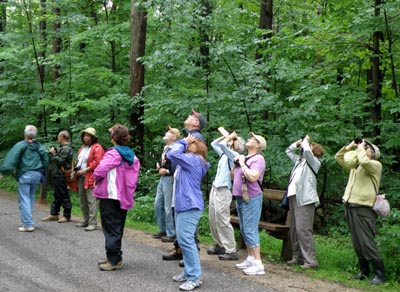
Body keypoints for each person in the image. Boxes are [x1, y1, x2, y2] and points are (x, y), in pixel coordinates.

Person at [335, 138, 385, 285]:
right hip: (351, 205)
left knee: (367, 242)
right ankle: (364, 272)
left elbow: (364, 162)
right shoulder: (356, 166)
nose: (364, 149)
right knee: (357, 242)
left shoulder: (375, 165)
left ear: (374, 153)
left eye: (368, 148)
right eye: (365, 147)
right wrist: (350, 146)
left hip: (364, 208)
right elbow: (338, 158)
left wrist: (360, 149)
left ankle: (380, 275)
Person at [93, 124, 140, 271]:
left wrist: (95, 177)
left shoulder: (114, 153)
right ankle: (114, 256)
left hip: (110, 195)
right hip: (123, 195)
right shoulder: (131, 154)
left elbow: (100, 170)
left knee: (110, 227)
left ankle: (113, 260)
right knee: (117, 226)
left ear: (114, 137)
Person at [167, 134, 210, 291]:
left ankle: (194, 277)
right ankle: (188, 272)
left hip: (190, 205)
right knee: (184, 239)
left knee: (186, 240)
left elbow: (172, 153)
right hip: (183, 204)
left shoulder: (194, 159)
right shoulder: (189, 159)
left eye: (192, 143)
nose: (188, 144)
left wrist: (183, 141)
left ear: (197, 147)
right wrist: (183, 143)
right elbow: (170, 153)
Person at [285, 135, 324, 270]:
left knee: (303, 229)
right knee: (295, 229)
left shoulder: (315, 162)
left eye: (308, 146)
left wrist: (306, 141)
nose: (304, 148)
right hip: (294, 196)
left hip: (306, 199)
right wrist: (297, 143)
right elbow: (288, 151)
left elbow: (307, 151)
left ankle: (311, 261)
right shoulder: (299, 162)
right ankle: (298, 257)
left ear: (314, 151)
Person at [0, 125, 49, 232]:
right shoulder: (38, 146)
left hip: (25, 174)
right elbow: (45, 157)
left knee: (24, 199)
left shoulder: (21, 145)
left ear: (25, 134)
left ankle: (27, 224)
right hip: (37, 174)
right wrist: (43, 169)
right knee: (30, 198)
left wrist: (3, 171)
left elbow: (11, 159)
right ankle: (27, 220)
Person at [207, 128, 245, 260]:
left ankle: (231, 249)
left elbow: (223, 145)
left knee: (222, 219)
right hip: (215, 187)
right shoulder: (224, 154)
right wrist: (227, 137)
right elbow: (214, 144)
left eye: (235, 141)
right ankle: (219, 244)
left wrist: (230, 137)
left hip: (224, 189)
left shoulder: (234, 156)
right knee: (213, 218)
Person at [232, 132, 266, 276]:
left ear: (258, 145)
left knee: (250, 229)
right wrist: (235, 165)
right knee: (245, 229)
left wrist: (242, 164)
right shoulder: (245, 158)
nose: (249, 139)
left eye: (253, 139)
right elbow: (232, 176)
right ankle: (251, 258)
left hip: (251, 197)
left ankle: (258, 264)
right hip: (240, 197)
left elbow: (253, 176)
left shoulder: (258, 158)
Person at [74, 127, 104, 231]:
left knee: (92, 200)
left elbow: (97, 162)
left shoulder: (97, 147)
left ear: (92, 137)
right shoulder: (82, 148)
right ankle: (85, 220)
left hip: (91, 177)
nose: (85, 137)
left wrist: (85, 170)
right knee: (83, 200)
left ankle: (93, 223)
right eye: (84, 136)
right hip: (81, 176)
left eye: (88, 136)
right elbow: (79, 161)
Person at [153, 126, 180, 242]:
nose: (166, 133)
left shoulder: (175, 149)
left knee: (168, 207)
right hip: (163, 179)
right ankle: (162, 229)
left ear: (174, 137)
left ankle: (171, 233)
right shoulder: (166, 148)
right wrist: (159, 164)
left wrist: (167, 171)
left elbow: (176, 166)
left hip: (169, 178)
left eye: (169, 132)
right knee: (158, 204)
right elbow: (165, 162)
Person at [42, 130, 73, 223]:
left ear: (62, 137)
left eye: (59, 136)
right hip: (57, 175)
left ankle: (67, 215)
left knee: (63, 194)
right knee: (57, 195)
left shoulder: (66, 148)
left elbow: (60, 161)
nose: (57, 138)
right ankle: (54, 214)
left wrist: (54, 153)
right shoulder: (63, 148)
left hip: (61, 175)